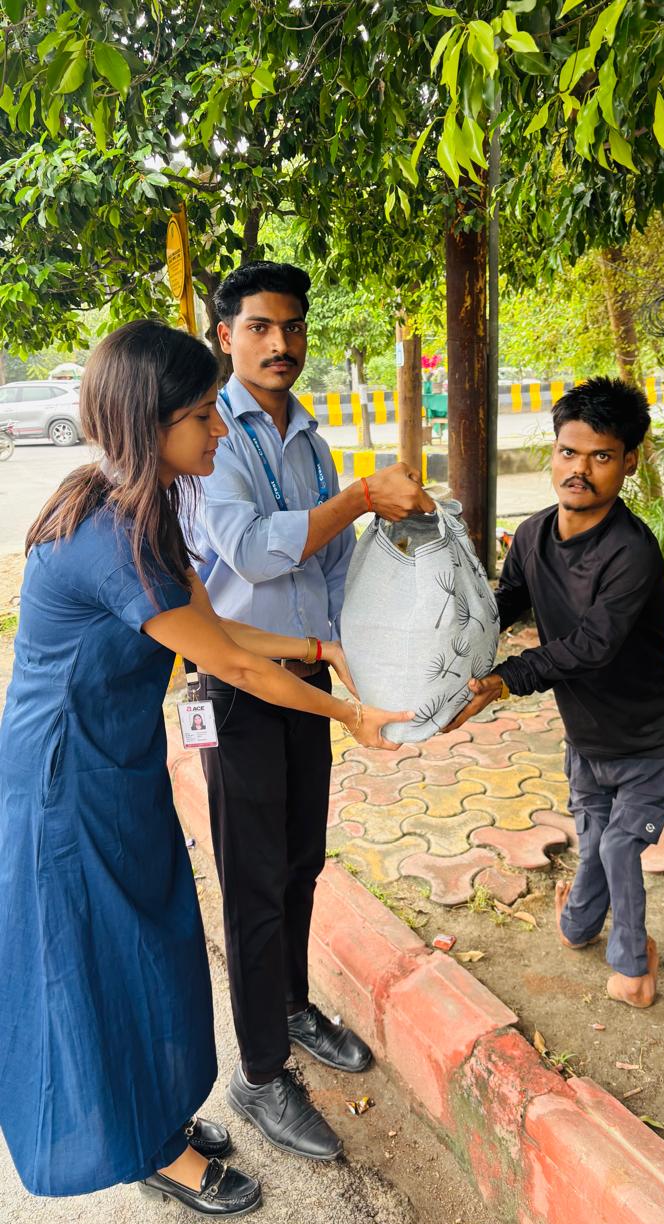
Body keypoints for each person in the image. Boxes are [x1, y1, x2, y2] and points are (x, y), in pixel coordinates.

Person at [0, 320, 410, 1217]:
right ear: (151, 424)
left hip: (115, 763)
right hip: (66, 785)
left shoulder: (137, 507)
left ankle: (158, 1122)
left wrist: (321, 644)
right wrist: (351, 712)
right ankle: (146, 1147)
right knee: (109, 963)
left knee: (157, 946)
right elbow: (236, 668)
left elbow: (220, 632)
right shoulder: (114, 536)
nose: (218, 431)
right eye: (199, 417)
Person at [193, 261, 434, 1162]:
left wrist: (355, 655)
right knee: (253, 883)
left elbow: (328, 573)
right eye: (259, 327)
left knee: (299, 864)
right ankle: (257, 1076)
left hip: (307, 681)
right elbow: (252, 555)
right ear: (226, 336)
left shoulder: (311, 438)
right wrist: (361, 498)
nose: (281, 344)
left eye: (292, 326)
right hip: (239, 686)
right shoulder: (210, 434)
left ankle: (290, 1010)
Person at [449, 377, 664, 1009]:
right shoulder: (532, 534)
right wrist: (458, 630)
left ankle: (634, 963)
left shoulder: (631, 553)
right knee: (592, 834)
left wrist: (505, 680)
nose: (578, 470)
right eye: (568, 452)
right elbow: (509, 602)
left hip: (651, 742)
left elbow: (591, 647)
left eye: (600, 456)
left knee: (618, 843)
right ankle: (581, 921)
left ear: (629, 462)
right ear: (554, 451)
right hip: (588, 739)